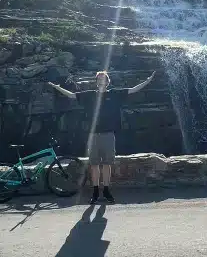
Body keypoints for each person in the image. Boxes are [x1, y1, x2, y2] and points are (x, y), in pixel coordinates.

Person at [47, 69, 156, 203]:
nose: (101, 81)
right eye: (99, 79)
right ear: (96, 82)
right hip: (93, 135)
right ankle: (95, 192)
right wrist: (58, 88)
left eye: (103, 79)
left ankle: (106, 190)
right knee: (94, 165)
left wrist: (147, 81)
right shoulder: (90, 95)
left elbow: (133, 90)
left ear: (107, 82)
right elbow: (72, 96)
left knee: (106, 164)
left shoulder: (115, 94)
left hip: (109, 135)